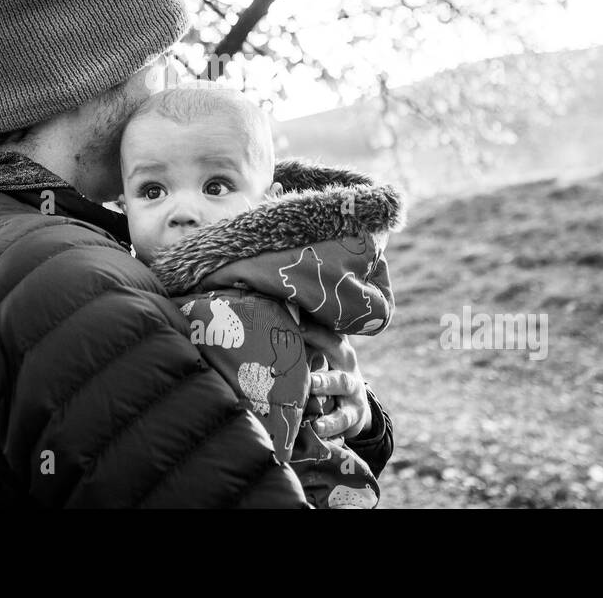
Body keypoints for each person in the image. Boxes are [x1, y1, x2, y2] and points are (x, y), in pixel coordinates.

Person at [0, 0, 393, 507]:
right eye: (157, 61)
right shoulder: (71, 285)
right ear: (90, 76)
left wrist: (346, 420)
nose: (164, 88)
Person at [119, 84, 403, 508]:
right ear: (122, 206)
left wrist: (365, 420)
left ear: (267, 203)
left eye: (215, 186)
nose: (181, 212)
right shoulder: (128, 280)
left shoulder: (280, 276)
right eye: (153, 191)